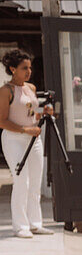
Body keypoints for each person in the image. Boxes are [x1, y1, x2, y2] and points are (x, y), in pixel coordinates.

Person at [0, 49, 53, 238]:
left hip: (33, 139)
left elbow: (30, 114)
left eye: (29, 68)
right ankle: (20, 226)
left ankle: (35, 224)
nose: (29, 72)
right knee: (22, 181)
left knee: (35, 182)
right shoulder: (5, 91)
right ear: (13, 69)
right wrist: (25, 130)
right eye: (24, 68)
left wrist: (43, 114)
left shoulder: (30, 88)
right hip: (14, 139)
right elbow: (1, 121)